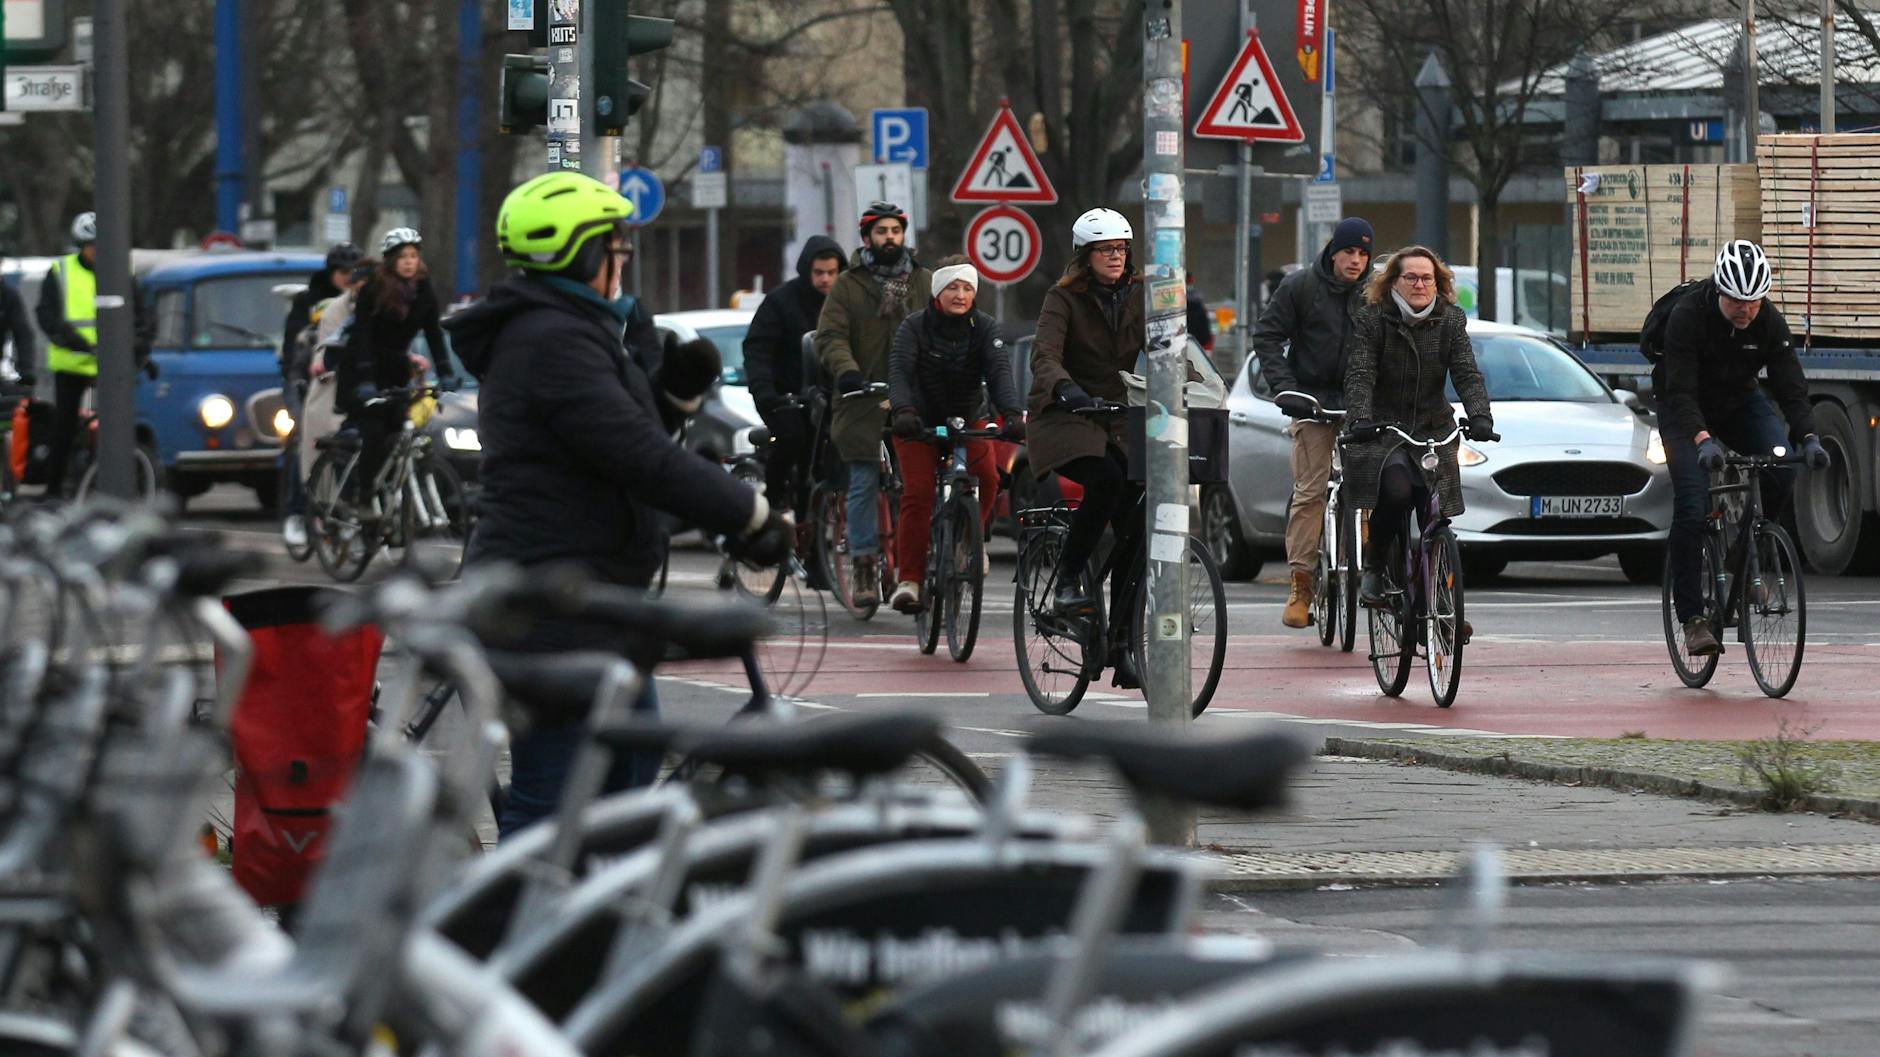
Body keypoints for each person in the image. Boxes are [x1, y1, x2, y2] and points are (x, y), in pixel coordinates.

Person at [446, 171, 790, 836]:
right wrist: (747, 515)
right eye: (615, 246)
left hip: (595, 602)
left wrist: (675, 396)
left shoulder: (572, 329)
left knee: (628, 784)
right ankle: (525, 932)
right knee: (557, 807)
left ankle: (597, 929)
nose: (622, 260)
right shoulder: (552, 339)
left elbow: (613, 436)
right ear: (579, 253)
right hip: (549, 608)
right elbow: (638, 456)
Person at [1657, 240, 1826, 657]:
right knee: (1694, 507)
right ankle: (1694, 619)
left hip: (1738, 402)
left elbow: (1790, 386)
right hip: (1683, 408)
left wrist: (1808, 437)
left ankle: (1741, 553)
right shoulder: (1688, 315)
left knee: (1784, 468)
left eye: (1753, 301)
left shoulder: (1768, 322)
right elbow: (1679, 390)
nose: (1745, 310)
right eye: (1736, 300)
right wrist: (1701, 439)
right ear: (1719, 290)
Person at [1026, 207, 1147, 689]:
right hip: (1065, 413)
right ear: (1085, 256)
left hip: (1119, 414)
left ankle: (1121, 646)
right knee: (1107, 480)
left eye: (1120, 248)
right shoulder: (1063, 299)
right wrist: (1065, 389)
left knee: (1138, 524)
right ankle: (1070, 577)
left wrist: (1195, 382)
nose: (1115, 257)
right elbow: (1045, 355)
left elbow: (1170, 347)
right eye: (1105, 250)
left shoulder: (1142, 294)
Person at [1342, 246, 1495, 607]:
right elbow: (1361, 373)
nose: (1419, 284)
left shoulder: (1451, 320)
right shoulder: (1373, 320)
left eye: (1427, 277)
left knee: (1435, 508)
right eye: (1410, 277)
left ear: (1437, 282)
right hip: (1384, 429)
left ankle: (1440, 596)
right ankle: (1376, 568)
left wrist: (1480, 415)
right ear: (1393, 282)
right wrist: (1361, 417)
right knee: (1395, 492)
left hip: (1434, 427)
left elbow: (1466, 373)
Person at [1253, 216, 1375, 629]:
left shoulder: (1376, 293)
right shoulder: (1301, 286)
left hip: (1361, 401)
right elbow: (1267, 337)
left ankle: (1376, 570)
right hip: (1311, 401)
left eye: (1362, 253)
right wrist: (1286, 389)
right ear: (1333, 251)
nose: (1355, 260)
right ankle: (1301, 585)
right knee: (1310, 491)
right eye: (1348, 252)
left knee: (1376, 485)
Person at [885, 257, 1024, 614]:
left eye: (967, 288)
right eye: (952, 288)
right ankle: (910, 581)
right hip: (918, 422)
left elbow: (999, 373)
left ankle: (969, 544)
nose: (960, 295)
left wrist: (1010, 414)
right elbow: (900, 372)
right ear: (937, 292)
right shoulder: (913, 327)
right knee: (917, 494)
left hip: (968, 418)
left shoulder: (985, 328)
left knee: (989, 479)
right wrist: (903, 412)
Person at [816, 202, 932, 609]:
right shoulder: (848, 285)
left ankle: (917, 564)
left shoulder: (923, 281)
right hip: (861, 397)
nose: (889, 238)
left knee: (915, 484)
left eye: (895, 231)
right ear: (867, 238)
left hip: (911, 397)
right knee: (864, 480)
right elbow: (829, 336)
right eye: (881, 231)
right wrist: (847, 372)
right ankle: (864, 563)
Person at [335, 228, 457, 514]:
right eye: (402, 256)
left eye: (414, 256)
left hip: (396, 369)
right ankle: (363, 497)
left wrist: (446, 370)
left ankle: (391, 504)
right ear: (390, 260)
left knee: (398, 436)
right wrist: (364, 379)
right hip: (363, 368)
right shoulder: (373, 289)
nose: (409, 262)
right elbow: (362, 336)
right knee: (374, 433)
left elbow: (434, 335)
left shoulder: (424, 291)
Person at [745, 235, 847, 505]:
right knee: (793, 439)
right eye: (819, 273)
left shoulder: (845, 304)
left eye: (831, 273)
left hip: (831, 397)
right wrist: (765, 390)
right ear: (806, 271)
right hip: (785, 395)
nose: (825, 279)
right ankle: (775, 500)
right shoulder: (781, 302)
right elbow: (758, 351)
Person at [279, 242, 365, 546]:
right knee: (306, 441)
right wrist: (298, 375)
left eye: (353, 272)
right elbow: (295, 346)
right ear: (331, 273)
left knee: (348, 445)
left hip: (344, 381)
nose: (348, 278)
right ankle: (296, 512)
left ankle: (339, 511)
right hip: (307, 378)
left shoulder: (362, 299)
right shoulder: (309, 301)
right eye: (343, 272)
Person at [36, 213, 104, 498]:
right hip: (71, 363)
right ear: (81, 246)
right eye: (91, 245)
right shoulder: (60, 271)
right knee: (63, 429)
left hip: (108, 365)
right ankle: (53, 490)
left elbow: (138, 312)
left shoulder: (120, 269)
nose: (97, 251)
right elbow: (48, 316)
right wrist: (76, 343)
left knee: (119, 425)